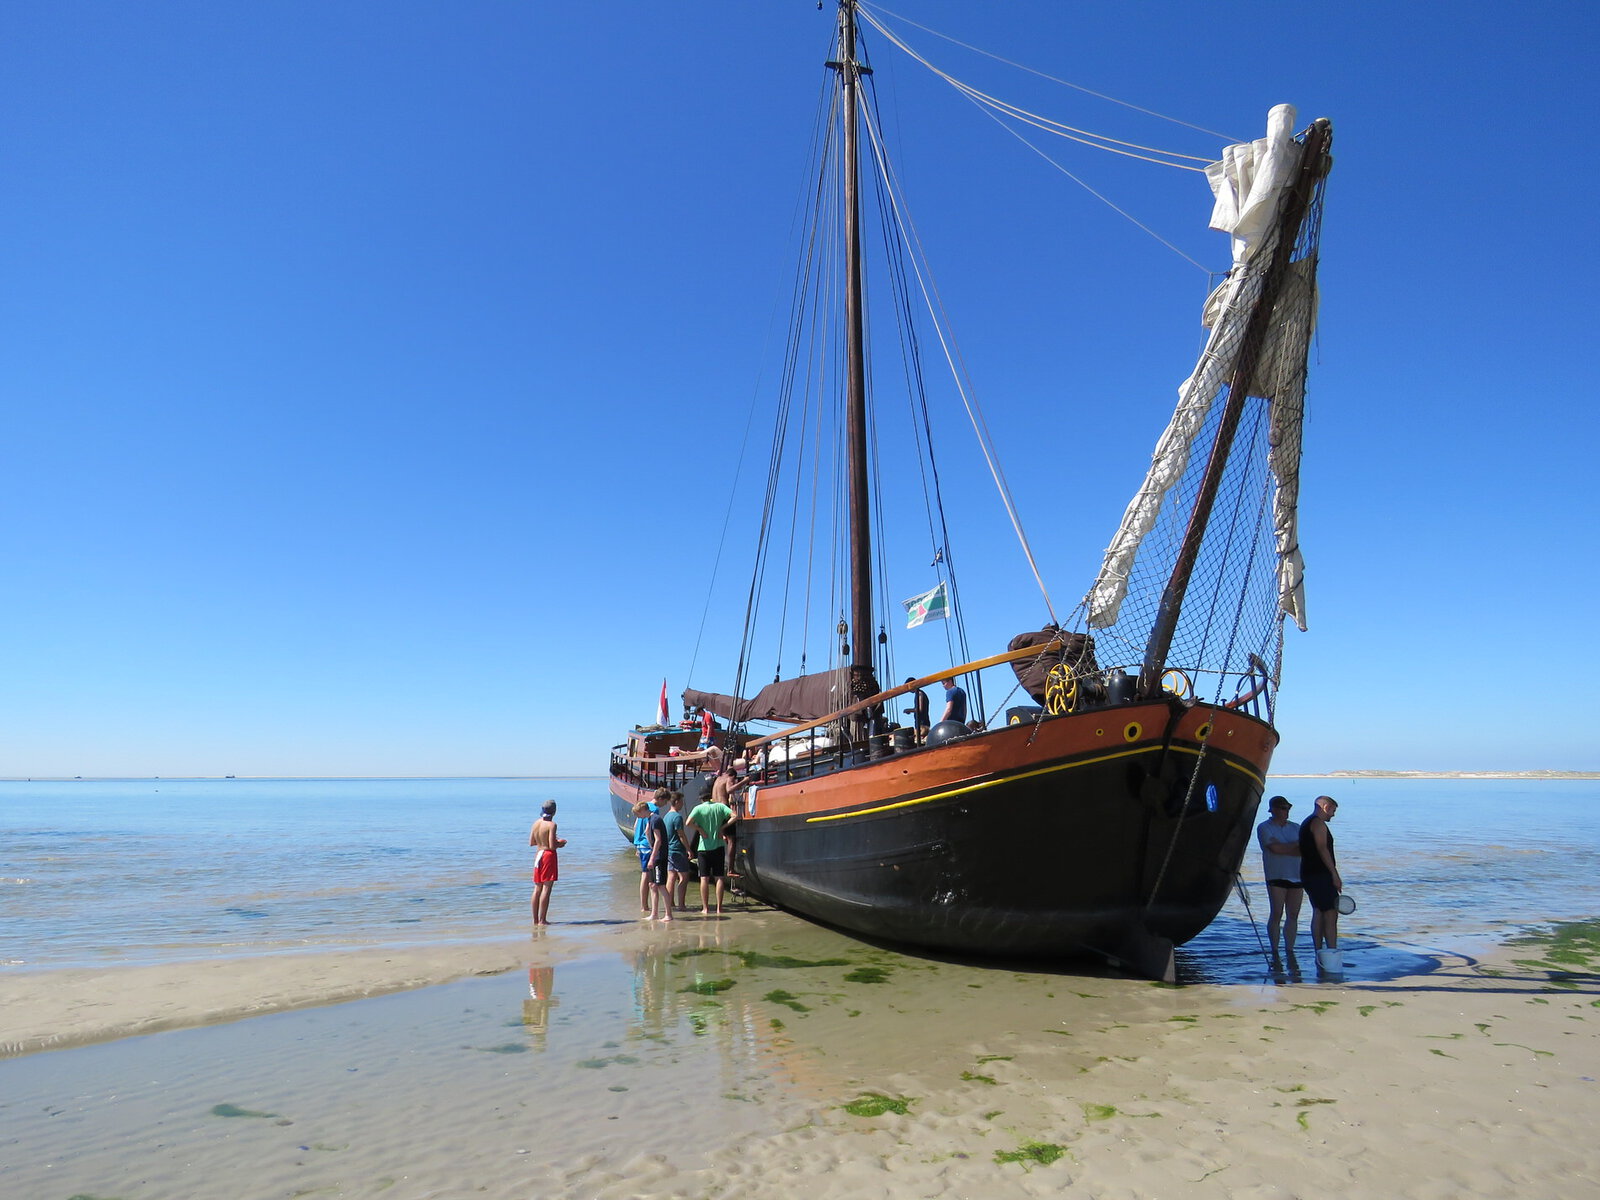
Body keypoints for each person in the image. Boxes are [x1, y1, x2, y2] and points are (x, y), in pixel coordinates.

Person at [1255, 795, 1302, 966]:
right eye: (1283, 808)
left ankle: (1290, 949)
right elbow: (1274, 848)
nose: (1286, 811)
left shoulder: (1296, 827)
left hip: (1297, 874)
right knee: (1276, 913)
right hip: (1275, 874)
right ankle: (1274, 949)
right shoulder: (1264, 827)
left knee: (1293, 914)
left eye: (1288, 808)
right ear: (1273, 809)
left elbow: (1303, 849)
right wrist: (1292, 847)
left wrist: (1285, 848)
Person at [1298, 795, 1343, 968]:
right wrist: (1334, 874)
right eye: (1333, 810)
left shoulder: (1306, 822)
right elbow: (1322, 849)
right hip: (1320, 875)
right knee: (1330, 913)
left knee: (1319, 911)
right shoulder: (1317, 823)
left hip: (1309, 873)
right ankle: (1331, 952)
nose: (1333, 815)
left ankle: (1319, 953)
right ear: (1325, 807)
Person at [684, 787, 735, 915]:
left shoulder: (698, 809)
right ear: (710, 796)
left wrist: (700, 830)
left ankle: (705, 908)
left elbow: (688, 822)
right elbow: (735, 816)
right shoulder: (719, 807)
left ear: (701, 798)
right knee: (719, 878)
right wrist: (722, 827)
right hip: (718, 846)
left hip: (703, 848)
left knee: (704, 879)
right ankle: (719, 908)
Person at [528, 800, 567, 926]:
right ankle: (542, 920)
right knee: (546, 888)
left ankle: (535, 920)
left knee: (537, 887)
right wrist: (561, 843)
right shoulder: (552, 825)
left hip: (538, 856)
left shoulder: (536, 823)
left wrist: (543, 842)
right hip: (548, 856)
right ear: (554, 811)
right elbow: (551, 845)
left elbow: (532, 842)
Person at [633, 791, 666, 915]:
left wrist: (636, 844)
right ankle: (646, 906)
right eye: (665, 802)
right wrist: (653, 846)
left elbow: (636, 825)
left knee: (644, 874)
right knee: (647, 876)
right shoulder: (654, 810)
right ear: (661, 799)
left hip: (640, 844)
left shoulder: (643, 805)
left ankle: (644, 905)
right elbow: (648, 829)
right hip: (647, 844)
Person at [662, 789, 692, 911]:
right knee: (684, 877)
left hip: (669, 849)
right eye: (682, 802)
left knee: (671, 876)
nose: (683, 804)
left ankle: (670, 903)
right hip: (677, 849)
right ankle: (681, 904)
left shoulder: (666, 816)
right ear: (677, 802)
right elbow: (681, 834)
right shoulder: (677, 817)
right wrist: (688, 849)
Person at [645, 801, 672, 921]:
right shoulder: (650, 820)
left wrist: (652, 857)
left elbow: (658, 840)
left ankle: (668, 914)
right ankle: (654, 913)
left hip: (659, 857)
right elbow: (648, 834)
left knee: (661, 885)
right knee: (652, 885)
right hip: (655, 855)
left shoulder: (655, 820)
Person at [902, 677, 930, 743]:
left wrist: (908, 710)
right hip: (921, 724)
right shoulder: (918, 694)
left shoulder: (920, 694)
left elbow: (919, 709)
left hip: (922, 725)